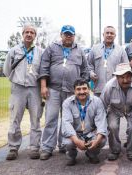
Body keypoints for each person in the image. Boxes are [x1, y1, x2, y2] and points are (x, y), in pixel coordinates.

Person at [39, 25, 89, 160]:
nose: (68, 36)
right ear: (61, 34)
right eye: (66, 34)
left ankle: (63, 145)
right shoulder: (51, 48)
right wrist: (43, 86)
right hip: (53, 89)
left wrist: (82, 89)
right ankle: (47, 147)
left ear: (74, 35)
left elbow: (85, 70)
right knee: (51, 118)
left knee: (68, 119)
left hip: (72, 91)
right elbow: (43, 67)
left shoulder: (80, 50)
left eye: (71, 34)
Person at [3, 23, 44, 160]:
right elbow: (6, 70)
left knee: (35, 119)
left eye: (32, 32)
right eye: (26, 32)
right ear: (22, 34)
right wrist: (16, 80)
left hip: (34, 88)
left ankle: (34, 148)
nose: (29, 34)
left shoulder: (40, 51)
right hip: (18, 88)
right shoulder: (14, 51)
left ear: (35, 36)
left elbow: (43, 71)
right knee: (15, 119)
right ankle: (13, 148)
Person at [100, 63, 132, 161]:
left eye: (128, 77)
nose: (125, 80)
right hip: (114, 109)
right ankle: (115, 150)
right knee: (112, 126)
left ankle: (131, 150)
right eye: (122, 77)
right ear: (116, 77)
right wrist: (101, 124)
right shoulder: (109, 87)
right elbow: (102, 105)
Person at [61, 79, 107, 166]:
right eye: (78, 89)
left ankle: (92, 154)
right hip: (75, 133)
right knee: (68, 142)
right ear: (74, 91)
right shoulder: (67, 103)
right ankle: (71, 156)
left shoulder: (97, 101)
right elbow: (66, 123)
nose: (82, 92)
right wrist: (77, 141)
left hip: (91, 132)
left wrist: (97, 140)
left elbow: (101, 123)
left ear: (89, 89)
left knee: (102, 139)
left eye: (84, 88)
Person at [88, 26, 129, 96]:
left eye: (112, 33)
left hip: (116, 88)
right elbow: (89, 65)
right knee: (99, 107)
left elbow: (126, 67)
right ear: (103, 34)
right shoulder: (94, 49)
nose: (109, 35)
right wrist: (91, 73)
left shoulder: (121, 50)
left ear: (115, 36)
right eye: (107, 33)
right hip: (99, 88)